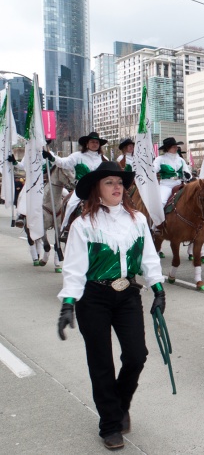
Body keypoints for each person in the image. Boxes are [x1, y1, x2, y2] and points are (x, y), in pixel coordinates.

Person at [56, 161, 165, 450]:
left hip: (128, 294)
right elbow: (75, 269)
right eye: (109, 183)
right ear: (97, 189)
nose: (117, 187)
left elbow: (149, 259)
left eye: (119, 182)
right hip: (94, 298)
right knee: (101, 363)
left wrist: (158, 290)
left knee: (136, 355)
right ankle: (110, 425)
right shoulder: (83, 225)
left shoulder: (138, 220)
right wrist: (68, 303)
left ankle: (120, 404)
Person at [41, 131, 108, 239]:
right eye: (92, 142)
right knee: (70, 204)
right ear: (87, 143)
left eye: (97, 142)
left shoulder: (104, 159)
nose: (95, 144)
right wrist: (51, 157)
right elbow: (63, 163)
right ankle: (67, 228)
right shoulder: (77, 156)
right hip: (82, 189)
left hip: (101, 190)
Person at [153, 137, 191, 210]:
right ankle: (159, 221)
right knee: (161, 202)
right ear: (167, 148)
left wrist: (187, 176)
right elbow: (154, 170)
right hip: (166, 185)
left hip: (180, 185)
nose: (176, 148)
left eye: (176, 146)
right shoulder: (160, 159)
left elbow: (187, 173)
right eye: (174, 147)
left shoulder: (181, 160)